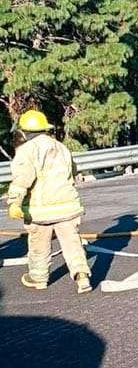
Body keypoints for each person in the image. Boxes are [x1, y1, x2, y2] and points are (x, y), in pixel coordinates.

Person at [6, 110, 91, 293]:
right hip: (68, 207)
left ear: (24, 131)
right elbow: (72, 172)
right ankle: (81, 275)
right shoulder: (61, 147)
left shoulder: (27, 151)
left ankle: (39, 278)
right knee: (72, 244)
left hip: (40, 211)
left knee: (39, 245)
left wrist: (14, 202)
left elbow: (22, 179)